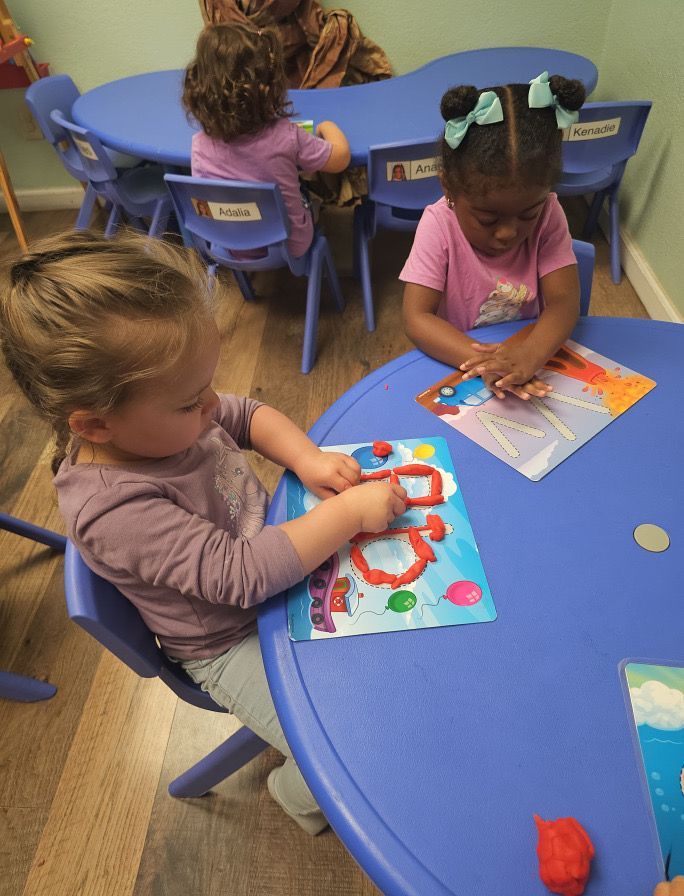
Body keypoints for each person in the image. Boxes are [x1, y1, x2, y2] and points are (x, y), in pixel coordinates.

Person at [0, 231, 406, 835]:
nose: (213, 404)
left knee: (399, 666)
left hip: (277, 565)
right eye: (193, 400)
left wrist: (309, 461)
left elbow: (245, 414)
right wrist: (346, 516)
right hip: (228, 641)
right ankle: (297, 792)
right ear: (95, 424)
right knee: (358, 754)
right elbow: (241, 577)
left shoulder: (169, 421)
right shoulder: (113, 508)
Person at [401, 72, 585, 401]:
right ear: (448, 188)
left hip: (528, 350)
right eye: (487, 217)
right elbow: (417, 318)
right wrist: (493, 364)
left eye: (528, 213)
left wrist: (529, 356)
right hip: (459, 357)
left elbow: (564, 301)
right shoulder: (438, 225)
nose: (508, 232)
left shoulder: (550, 214)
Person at [183, 23, 350, 258]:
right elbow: (340, 159)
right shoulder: (287, 135)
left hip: (232, 244)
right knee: (312, 199)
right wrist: (327, 126)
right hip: (289, 245)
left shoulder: (199, 145)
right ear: (267, 88)